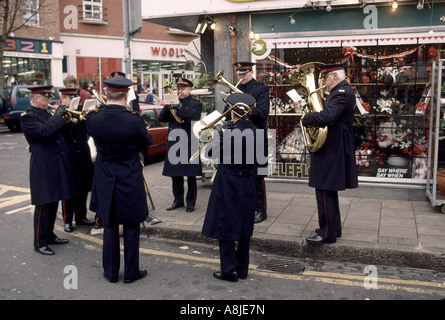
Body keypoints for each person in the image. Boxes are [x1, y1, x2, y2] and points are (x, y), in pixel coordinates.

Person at [85, 77, 153, 283]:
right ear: (126, 95)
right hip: (129, 175)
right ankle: (131, 273)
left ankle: (111, 273)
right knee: (132, 224)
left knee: (110, 225)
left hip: (105, 175)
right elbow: (147, 141)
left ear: (106, 93)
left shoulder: (93, 117)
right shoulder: (133, 119)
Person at [202, 92, 257, 282]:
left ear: (234, 112)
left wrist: (218, 134)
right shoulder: (258, 133)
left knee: (225, 224)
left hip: (228, 182)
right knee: (244, 225)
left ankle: (228, 270)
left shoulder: (227, 133)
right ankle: (243, 269)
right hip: (249, 182)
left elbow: (209, 153)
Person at [301, 63, 358, 245]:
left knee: (324, 189)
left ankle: (327, 234)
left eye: (325, 78)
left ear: (335, 76)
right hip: (335, 143)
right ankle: (333, 229)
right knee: (328, 190)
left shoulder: (341, 93)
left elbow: (327, 117)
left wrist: (307, 118)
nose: (323, 82)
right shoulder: (342, 91)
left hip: (333, 145)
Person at [20, 85, 74, 255]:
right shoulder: (28, 117)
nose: (49, 101)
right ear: (36, 98)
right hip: (43, 165)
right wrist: (58, 116)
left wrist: (65, 118)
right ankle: (39, 241)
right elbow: (44, 132)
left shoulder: (45, 113)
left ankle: (49, 235)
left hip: (55, 162)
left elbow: (57, 131)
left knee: (54, 200)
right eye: (46, 98)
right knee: (43, 204)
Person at [229, 61, 270, 223]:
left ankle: (260, 210)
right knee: (241, 173)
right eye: (239, 74)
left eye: (244, 74)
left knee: (257, 175)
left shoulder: (261, 89)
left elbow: (262, 113)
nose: (241, 77)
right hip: (239, 134)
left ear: (251, 72)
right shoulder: (235, 89)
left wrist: (244, 107)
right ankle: (245, 206)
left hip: (257, 135)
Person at [159, 77, 202, 213]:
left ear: (189, 90)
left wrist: (179, 107)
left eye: (182, 89)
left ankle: (191, 203)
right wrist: (168, 106)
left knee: (191, 175)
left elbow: (192, 118)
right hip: (175, 141)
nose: (179, 91)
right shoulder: (172, 103)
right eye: (178, 88)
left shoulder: (195, 103)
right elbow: (162, 118)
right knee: (175, 174)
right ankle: (178, 201)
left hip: (189, 140)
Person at [58, 88, 95, 232]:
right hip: (68, 154)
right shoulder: (59, 112)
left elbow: (89, 130)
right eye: (68, 98)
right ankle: (68, 220)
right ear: (63, 99)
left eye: (74, 97)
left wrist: (89, 116)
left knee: (83, 187)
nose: (72, 100)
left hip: (83, 153)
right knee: (69, 189)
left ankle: (81, 216)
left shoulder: (81, 111)